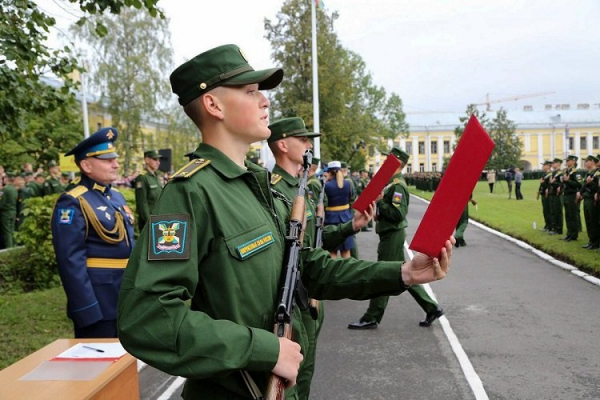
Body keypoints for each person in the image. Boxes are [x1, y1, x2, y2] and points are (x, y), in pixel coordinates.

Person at [117, 44, 453, 400]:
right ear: (213, 106)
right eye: (250, 92)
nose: (265, 101)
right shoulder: (191, 193)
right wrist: (264, 349)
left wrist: (402, 273)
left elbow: (308, 269)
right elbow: (147, 318)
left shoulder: (260, 187)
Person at [268, 116, 376, 400]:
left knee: (306, 377)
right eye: (302, 140)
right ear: (282, 144)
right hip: (290, 304)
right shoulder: (273, 191)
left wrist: (350, 227)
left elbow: (313, 247)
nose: (308, 146)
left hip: (311, 302)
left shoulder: (305, 188)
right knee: (290, 386)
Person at [51, 127, 135, 338]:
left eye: (114, 159)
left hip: (126, 297)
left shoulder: (116, 197)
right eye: (107, 160)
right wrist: (86, 308)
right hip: (100, 302)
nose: (115, 164)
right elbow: (70, 262)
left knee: (128, 364)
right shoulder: (73, 201)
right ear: (86, 165)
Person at [348, 148, 445, 330]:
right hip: (389, 233)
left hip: (392, 235)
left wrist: (381, 202)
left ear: (396, 163)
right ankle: (431, 307)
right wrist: (380, 213)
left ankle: (372, 316)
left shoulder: (397, 185)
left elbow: (398, 213)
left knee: (382, 274)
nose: (386, 162)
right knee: (404, 273)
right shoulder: (391, 183)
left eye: (388, 160)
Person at [324, 161, 355, 258]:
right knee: (346, 252)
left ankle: (333, 273)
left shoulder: (327, 186)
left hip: (331, 220)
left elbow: (324, 203)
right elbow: (351, 199)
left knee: (332, 252)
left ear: (329, 172)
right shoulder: (348, 184)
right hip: (346, 218)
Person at [134, 149, 163, 231]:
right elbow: (142, 203)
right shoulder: (142, 178)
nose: (158, 162)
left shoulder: (157, 177)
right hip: (149, 222)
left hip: (159, 219)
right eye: (155, 159)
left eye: (158, 160)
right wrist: (149, 222)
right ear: (146, 160)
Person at [578, 155, 599, 249]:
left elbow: (597, 188)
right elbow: (584, 185)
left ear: (593, 162)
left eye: (587, 161)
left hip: (592, 199)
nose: (585, 163)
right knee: (588, 221)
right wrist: (580, 192)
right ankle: (591, 240)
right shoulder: (588, 173)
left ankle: (595, 242)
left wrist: (590, 183)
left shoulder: (597, 173)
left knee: (593, 221)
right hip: (586, 198)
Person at [561, 155, 581, 241]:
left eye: (568, 160)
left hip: (572, 195)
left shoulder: (576, 172)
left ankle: (574, 235)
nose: (567, 162)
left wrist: (567, 180)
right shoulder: (567, 171)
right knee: (568, 215)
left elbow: (579, 184)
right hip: (566, 194)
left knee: (573, 215)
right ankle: (569, 233)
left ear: (574, 161)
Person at [0, 172, 18, 248]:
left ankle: (9, 248)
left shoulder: (4, 189)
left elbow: (1, 202)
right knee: (12, 231)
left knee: (7, 232)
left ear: (7, 179)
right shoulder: (14, 189)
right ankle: (14, 246)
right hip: (13, 211)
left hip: (5, 213)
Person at [548, 158, 564, 235]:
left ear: (558, 164)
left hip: (557, 195)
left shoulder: (560, 173)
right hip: (552, 194)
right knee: (553, 211)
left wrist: (553, 183)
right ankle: (555, 228)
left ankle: (559, 229)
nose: (552, 164)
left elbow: (561, 184)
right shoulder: (554, 173)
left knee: (558, 212)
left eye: (554, 163)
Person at [537, 161, 553, 231]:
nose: (543, 167)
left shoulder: (550, 174)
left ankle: (550, 226)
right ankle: (547, 225)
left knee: (548, 210)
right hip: (543, 193)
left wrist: (542, 183)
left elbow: (549, 185)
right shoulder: (545, 174)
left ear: (549, 166)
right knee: (545, 211)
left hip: (548, 195)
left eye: (544, 165)